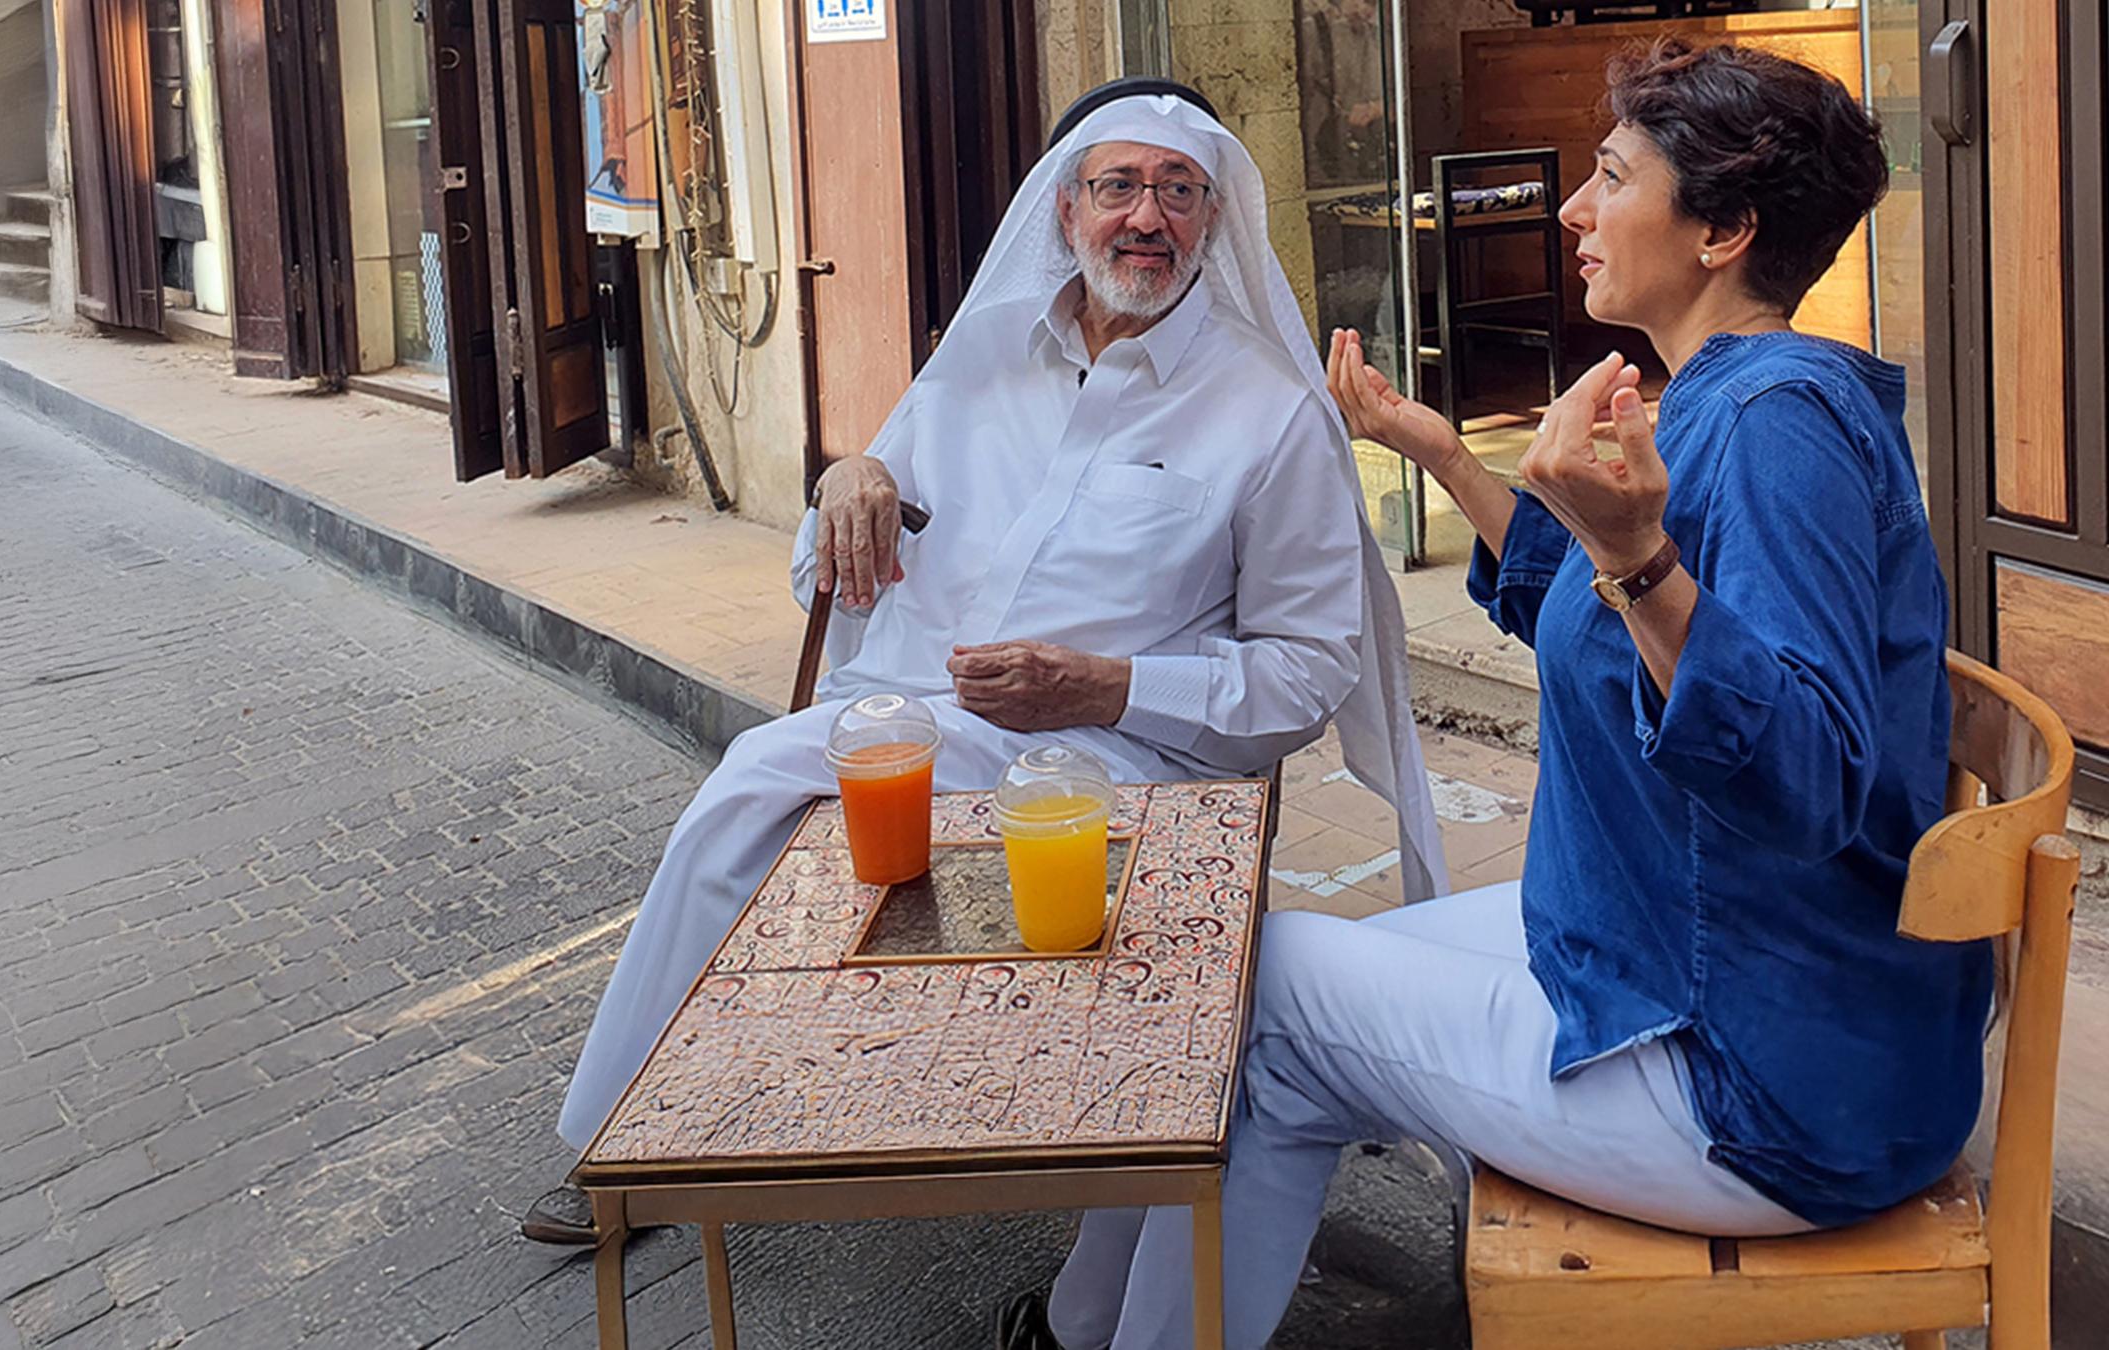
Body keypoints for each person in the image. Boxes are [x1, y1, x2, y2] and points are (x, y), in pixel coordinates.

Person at [1008, 40, 1986, 1350]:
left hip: (1767, 1076)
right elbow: (1590, 618)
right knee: (1238, 973)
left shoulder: (1771, 431)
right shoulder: (1720, 400)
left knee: (1272, 994)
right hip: (1689, 962)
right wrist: (1434, 450)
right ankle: (1086, 1329)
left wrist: (1638, 557)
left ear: (1726, 232)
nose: (1574, 210)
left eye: (1612, 177)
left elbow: (1806, 775)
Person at [523, 78, 1452, 1245]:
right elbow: (828, 571)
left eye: (1177, 191)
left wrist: (1109, 684)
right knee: (748, 792)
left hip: (1127, 758)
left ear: (1212, 223)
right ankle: (631, 1145)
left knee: (773, 783)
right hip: (922, 719)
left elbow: (1309, 671)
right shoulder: (977, 363)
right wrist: (844, 479)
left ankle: (1096, 1206)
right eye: (1117, 187)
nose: (1146, 219)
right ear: (1066, 213)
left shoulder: (1271, 415)